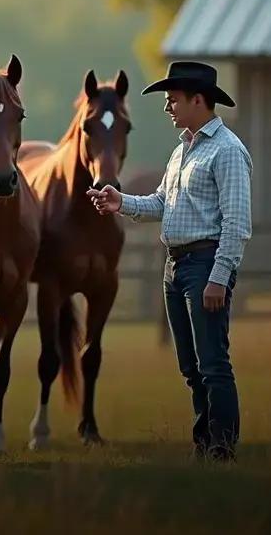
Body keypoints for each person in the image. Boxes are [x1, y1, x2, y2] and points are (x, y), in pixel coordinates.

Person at [87, 61, 252, 462]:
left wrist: (219, 276)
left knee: (213, 361)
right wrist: (120, 202)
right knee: (190, 366)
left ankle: (221, 447)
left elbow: (237, 222)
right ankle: (204, 442)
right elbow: (164, 203)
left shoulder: (228, 151)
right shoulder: (182, 150)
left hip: (205, 264)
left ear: (199, 100)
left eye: (172, 99)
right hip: (175, 267)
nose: (167, 108)